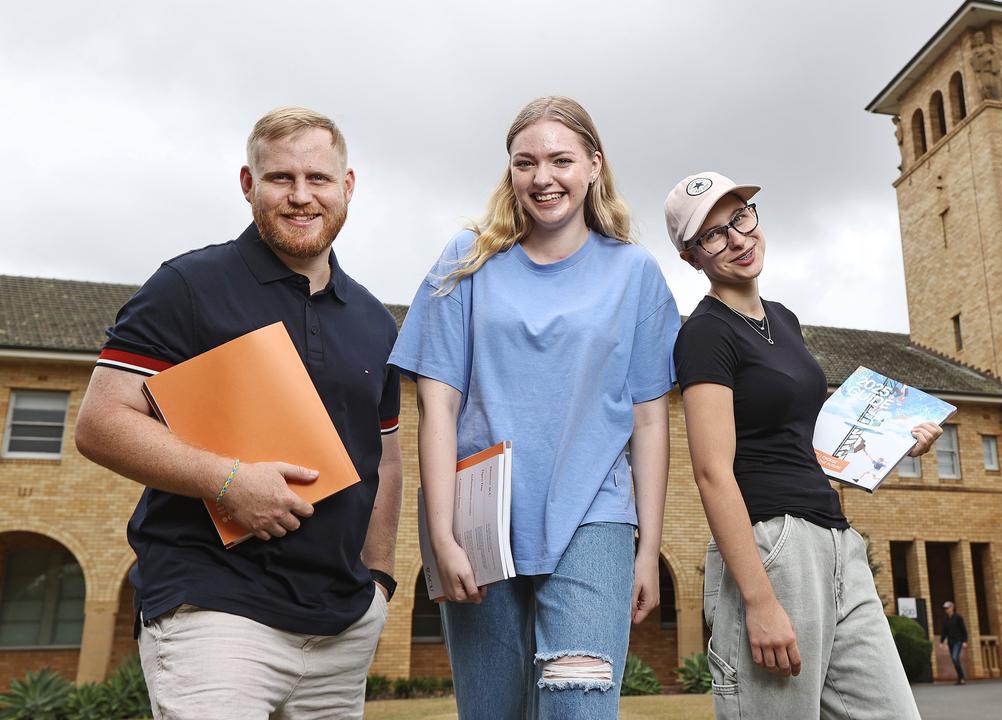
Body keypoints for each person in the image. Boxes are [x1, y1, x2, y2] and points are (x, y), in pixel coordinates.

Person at [75, 107, 402, 719]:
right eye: (280, 178)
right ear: (249, 185)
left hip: (340, 626)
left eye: (319, 179)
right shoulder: (189, 285)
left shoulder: (375, 321)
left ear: (348, 186)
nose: (301, 196)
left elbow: (383, 458)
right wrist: (229, 481)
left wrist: (377, 583)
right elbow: (101, 423)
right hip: (217, 608)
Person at [389, 96, 680, 718]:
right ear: (510, 171)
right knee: (493, 709)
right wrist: (441, 532)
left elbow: (651, 421)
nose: (542, 178)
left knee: (580, 705)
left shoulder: (635, 275)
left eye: (560, 160)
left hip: (593, 521)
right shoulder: (466, 261)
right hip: (479, 520)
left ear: (594, 165)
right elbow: (437, 407)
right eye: (526, 163)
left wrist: (647, 548)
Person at [667, 172, 942, 719]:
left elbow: (808, 446)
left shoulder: (785, 320)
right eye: (714, 235)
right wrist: (758, 600)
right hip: (772, 548)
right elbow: (711, 473)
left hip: (838, 542)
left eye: (740, 218)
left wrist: (893, 444)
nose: (738, 240)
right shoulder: (705, 334)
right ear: (691, 257)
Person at [939, 600, 969, 685]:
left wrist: (964, 641)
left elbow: (964, 630)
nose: (946, 610)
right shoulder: (945, 619)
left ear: (952, 608)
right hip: (950, 642)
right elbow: (944, 631)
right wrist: (941, 641)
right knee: (954, 660)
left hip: (958, 641)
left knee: (955, 658)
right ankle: (960, 678)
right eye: (945, 608)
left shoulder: (958, 617)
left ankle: (962, 677)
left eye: (948, 608)